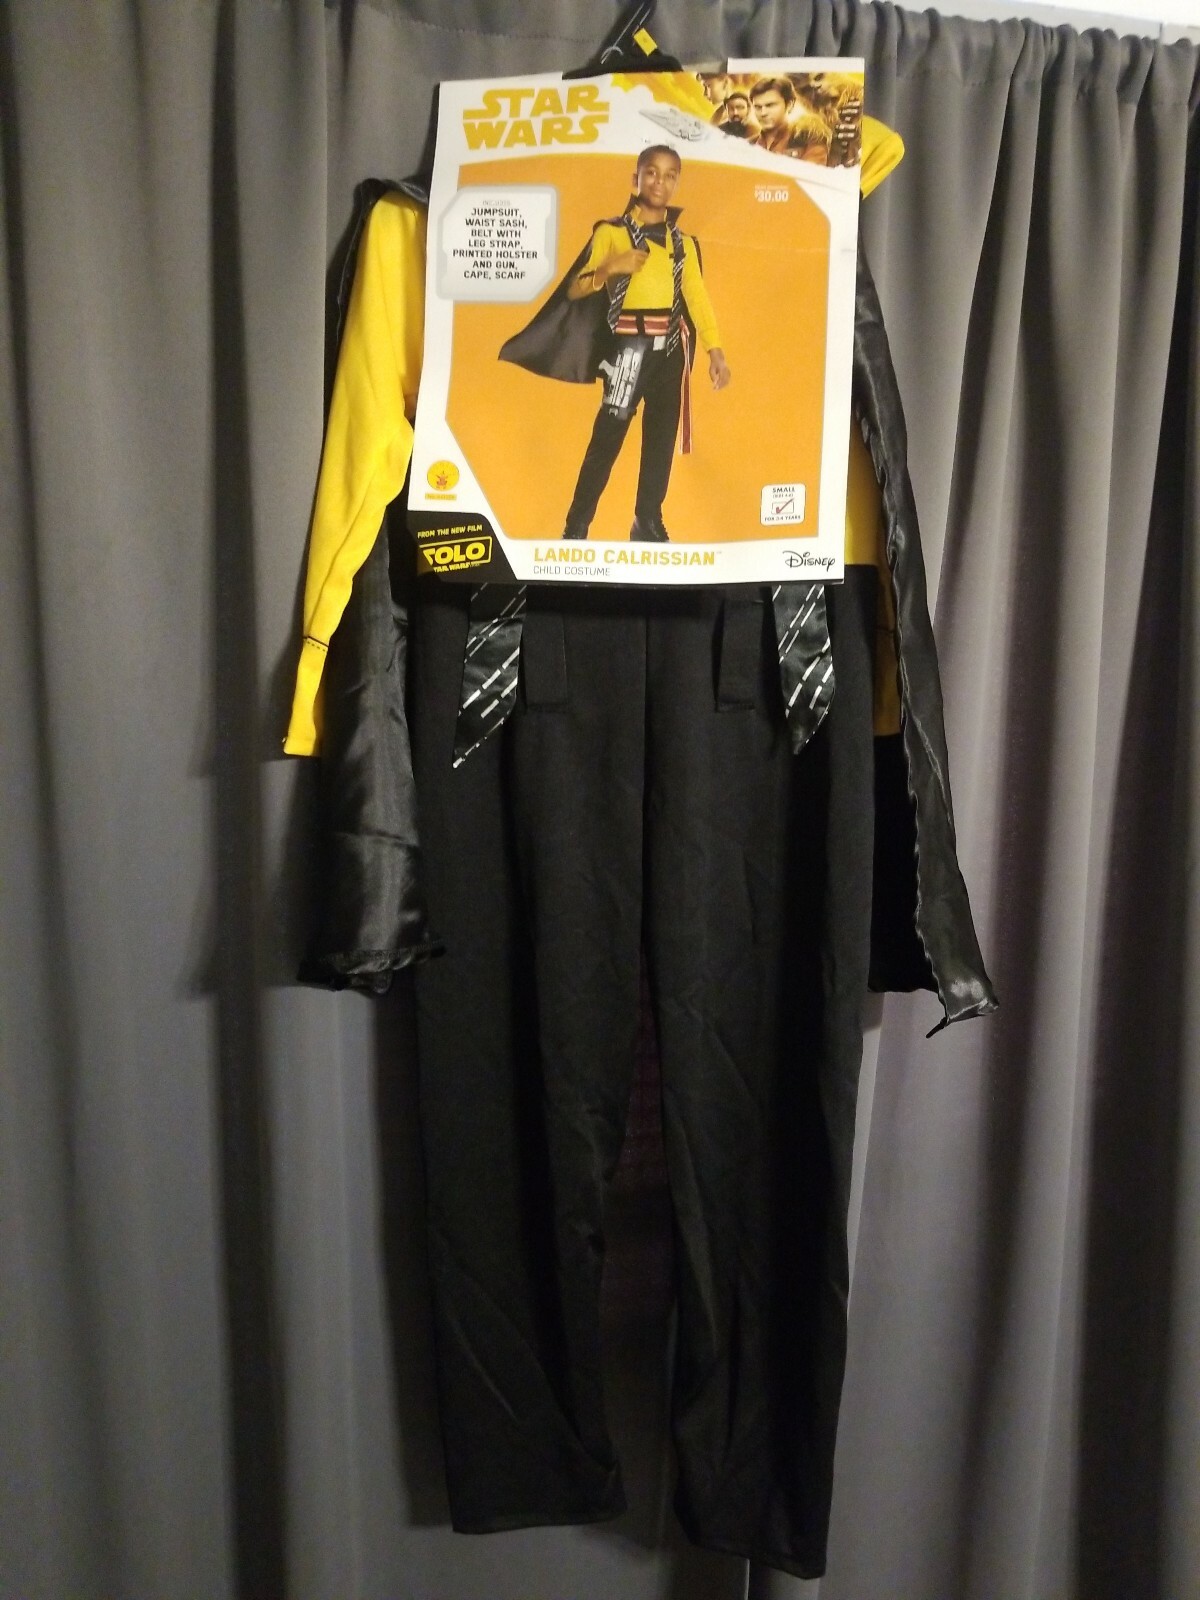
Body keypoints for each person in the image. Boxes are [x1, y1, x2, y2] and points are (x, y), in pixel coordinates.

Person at [555, 145, 731, 542]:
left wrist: (715, 351)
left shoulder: (683, 242)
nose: (659, 182)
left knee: (661, 439)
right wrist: (609, 268)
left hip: (670, 350)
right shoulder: (611, 233)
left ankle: (647, 520)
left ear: (677, 183)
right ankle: (576, 525)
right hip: (628, 350)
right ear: (636, 178)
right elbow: (574, 289)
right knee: (607, 437)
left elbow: (697, 297)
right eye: (651, 172)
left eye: (669, 175)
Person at [750, 75, 809, 157]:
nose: (763, 113)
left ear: (789, 105)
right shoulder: (746, 146)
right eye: (758, 107)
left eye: (770, 105)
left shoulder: (807, 142)